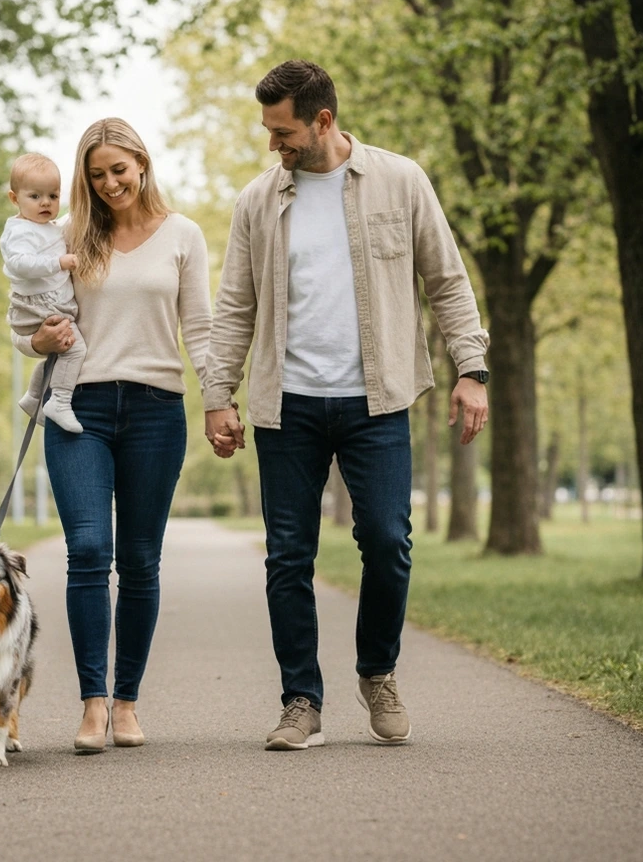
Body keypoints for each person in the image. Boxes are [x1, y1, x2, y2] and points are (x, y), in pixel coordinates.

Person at [203, 60, 490, 750]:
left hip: (377, 398)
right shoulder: (257, 201)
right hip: (288, 405)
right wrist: (218, 395)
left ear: (322, 120)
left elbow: (447, 280)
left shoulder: (401, 180)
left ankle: (377, 671)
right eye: (269, 131)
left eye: (284, 131)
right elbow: (234, 306)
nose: (275, 144)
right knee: (288, 558)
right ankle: (301, 699)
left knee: (388, 542)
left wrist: (471, 368)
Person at [13, 118, 211, 753]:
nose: (108, 184)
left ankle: (128, 702)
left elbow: (201, 327)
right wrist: (33, 342)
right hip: (80, 408)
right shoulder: (68, 235)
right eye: (95, 175)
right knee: (90, 550)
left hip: (157, 409)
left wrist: (220, 402)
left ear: (142, 163)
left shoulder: (184, 235)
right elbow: (25, 313)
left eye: (117, 170)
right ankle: (92, 704)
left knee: (141, 560)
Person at [2, 152, 85, 433]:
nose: (46, 203)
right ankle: (59, 401)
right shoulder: (20, 231)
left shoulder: (46, 226)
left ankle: (34, 396)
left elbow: (62, 226)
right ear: (15, 199)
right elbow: (18, 263)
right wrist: (57, 263)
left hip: (49, 301)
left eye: (53, 195)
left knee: (60, 355)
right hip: (40, 303)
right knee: (75, 350)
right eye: (35, 197)